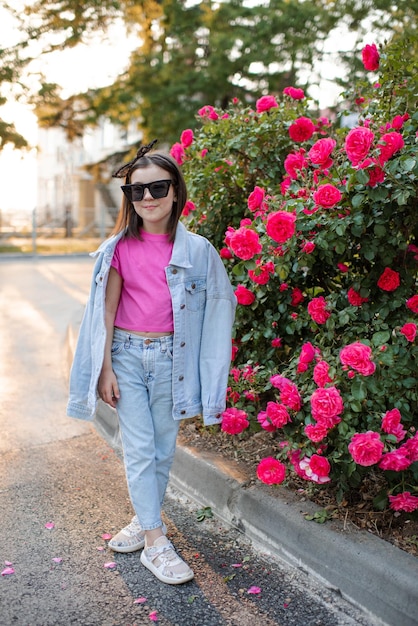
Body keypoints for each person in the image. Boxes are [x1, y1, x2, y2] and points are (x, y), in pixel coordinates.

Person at [67, 140, 236, 585]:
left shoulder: (199, 251)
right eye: (135, 192)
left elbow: (218, 314)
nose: (147, 199)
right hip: (125, 355)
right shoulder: (117, 248)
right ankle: (156, 540)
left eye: (157, 188)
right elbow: (105, 311)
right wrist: (104, 368)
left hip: (170, 360)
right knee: (140, 448)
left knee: (162, 450)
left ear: (176, 192)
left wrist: (208, 378)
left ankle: (144, 520)